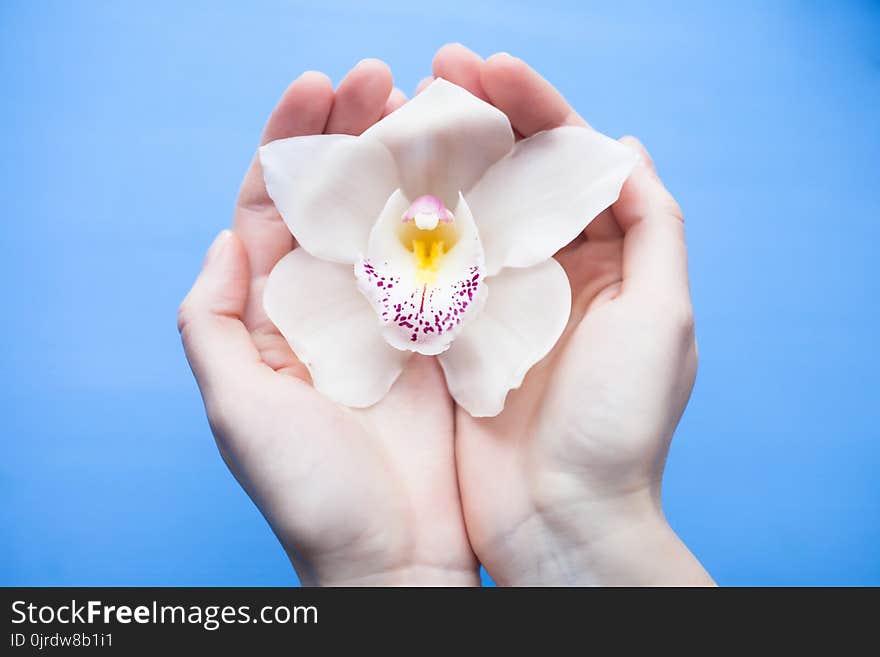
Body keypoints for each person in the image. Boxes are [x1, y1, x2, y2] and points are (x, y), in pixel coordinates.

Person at [178, 43, 714, 586]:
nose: (427, 239)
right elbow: (293, 176)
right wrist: (591, 526)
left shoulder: (510, 295)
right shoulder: (325, 223)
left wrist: (382, 573)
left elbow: (579, 178)